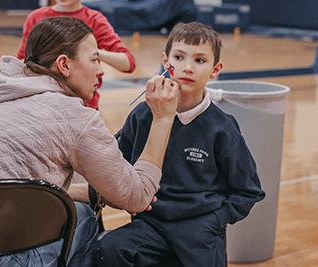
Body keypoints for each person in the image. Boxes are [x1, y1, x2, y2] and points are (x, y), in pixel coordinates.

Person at [0, 17, 179, 267]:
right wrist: (163, 118)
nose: (101, 70)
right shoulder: (75, 117)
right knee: (84, 217)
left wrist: (95, 191)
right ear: (64, 65)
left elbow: (26, 183)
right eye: (95, 59)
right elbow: (137, 196)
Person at [95, 21, 266, 267]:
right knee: (108, 249)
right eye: (179, 56)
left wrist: (214, 220)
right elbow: (117, 166)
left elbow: (249, 192)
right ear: (166, 62)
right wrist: (128, 201)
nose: (187, 67)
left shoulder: (223, 127)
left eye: (199, 60)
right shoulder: (143, 115)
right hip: (149, 224)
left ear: (215, 70)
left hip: (199, 228)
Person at [17, 0, 136, 109]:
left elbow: (128, 63)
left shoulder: (95, 19)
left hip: (85, 105)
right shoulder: (36, 17)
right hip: (46, 102)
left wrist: (92, 52)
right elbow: (23, 60)